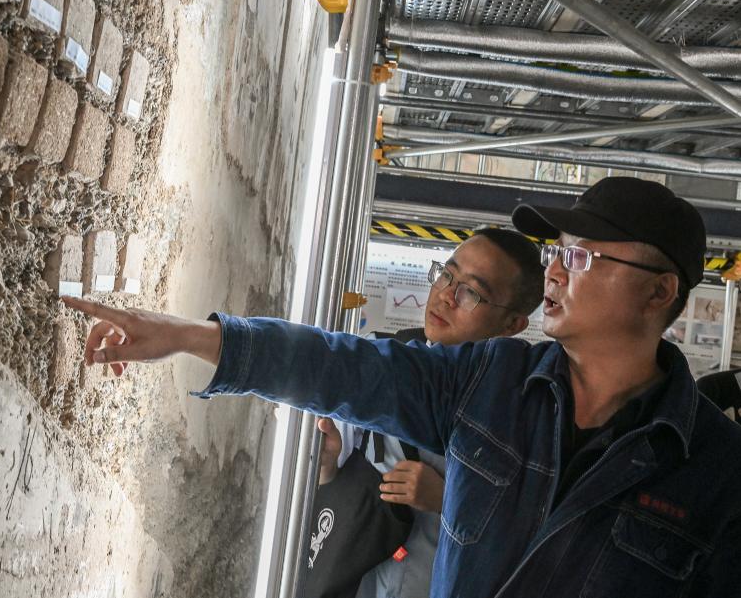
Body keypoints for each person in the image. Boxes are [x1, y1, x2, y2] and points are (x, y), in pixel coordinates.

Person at [64, 177, 741, 598]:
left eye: (580, 255)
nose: (556, 273)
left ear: (659, 292)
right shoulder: (491, 379)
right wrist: (189, 335)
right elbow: (345, 367)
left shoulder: (718, 474)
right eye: (556, 252)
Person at [308, 228, 543, 598]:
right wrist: (325, 464)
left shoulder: (521, 416)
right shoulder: (379, 361)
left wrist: (448, 500)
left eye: (471, 292)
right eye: (446, 274)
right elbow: (327, 487)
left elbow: (533, 537)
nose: (446, 295)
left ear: (512, 324)